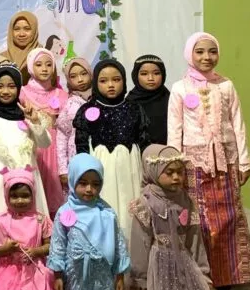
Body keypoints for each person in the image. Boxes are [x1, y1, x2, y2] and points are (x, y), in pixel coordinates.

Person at [167, 32, 250, 288]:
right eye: (200, 51)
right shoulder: (180, 88)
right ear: (189, 54)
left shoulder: (226, 85)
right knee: (202, 219)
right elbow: (174, 130)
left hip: (226, 161)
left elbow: (238, 124)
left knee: (230, 216)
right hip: (193, 163)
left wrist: (244, 162)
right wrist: (174, 165)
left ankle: (229, 275)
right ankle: (203, 275)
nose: (207, 57)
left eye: (212, 51)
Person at [73, 59, 149, 239]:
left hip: (130, 167)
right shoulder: (87, 110)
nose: (111, 85)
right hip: (100, 168)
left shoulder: (134, 109)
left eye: (116, 79)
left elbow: (144, 142)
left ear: (124, 81)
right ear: (95, 83)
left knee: (130, 208)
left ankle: (132, 249)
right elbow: (81, 146)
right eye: (103, 81)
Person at [128, 145, 217, 290]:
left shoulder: (185, 201)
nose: (176, 177)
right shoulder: (146, 204)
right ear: (153, 171)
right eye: (169, 173)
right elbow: (140, 245)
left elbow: (195, 239)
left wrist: (202, 272)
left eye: (180, 172)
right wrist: (140, 279)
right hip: (158, 269)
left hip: (184, 265)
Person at [47, 154, 130, 290]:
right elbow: (58, 244)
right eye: (83, 183)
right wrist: (58, 275)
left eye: (95, 184)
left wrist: (120, 276)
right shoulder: (64, 212)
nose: (89, 189)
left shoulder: (107, 213)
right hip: (75, 279)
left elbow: (119, 245)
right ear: (72, 180)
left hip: (102, 279)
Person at [0, 64, 51, 217]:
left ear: (18, 87)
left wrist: (35, 121)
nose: (5, 91)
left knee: (31, 222)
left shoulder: (27, 114)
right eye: (0, 86)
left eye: (11, 86)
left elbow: (45, 143)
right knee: (2, 221)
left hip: (28, 176)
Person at [0, 166, 55, 290]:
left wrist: (37, 251)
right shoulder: (0, 220)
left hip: (34, 271)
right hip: (7, 272)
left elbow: (50, 245)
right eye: (14, 196)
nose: (20, 201)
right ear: (6, 196)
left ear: (33, 194)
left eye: (25, 196)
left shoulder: (40, 219)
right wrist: (6, 249)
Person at [20, 48, 68, 217]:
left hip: (53, 149)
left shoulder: (61, 95)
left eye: (49, 64)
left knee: (53, 188)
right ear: (31, 67)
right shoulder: (22, 92)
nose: (45, 69)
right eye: (39, 64)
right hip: (31, 146)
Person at [54, 58, 92, 196]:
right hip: (75, 157)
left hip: (98, 154)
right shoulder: (69, 104)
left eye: (83, 74)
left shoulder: (100, 99)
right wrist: (63, 169)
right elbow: (62, 136)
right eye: (73, 76)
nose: (80, 79)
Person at [127, 55, 170, 145]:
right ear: (135, 75)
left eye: (156, 73)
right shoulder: (129, 103)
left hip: (169, 150)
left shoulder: (171, 100)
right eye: (144, 74)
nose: (150, 78)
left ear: (163, 75)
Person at [0, 11, 41, 84]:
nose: (21, 34)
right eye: (17, 29)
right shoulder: (0, 59)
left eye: (27, 29)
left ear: (34, 30)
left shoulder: (43, 57)